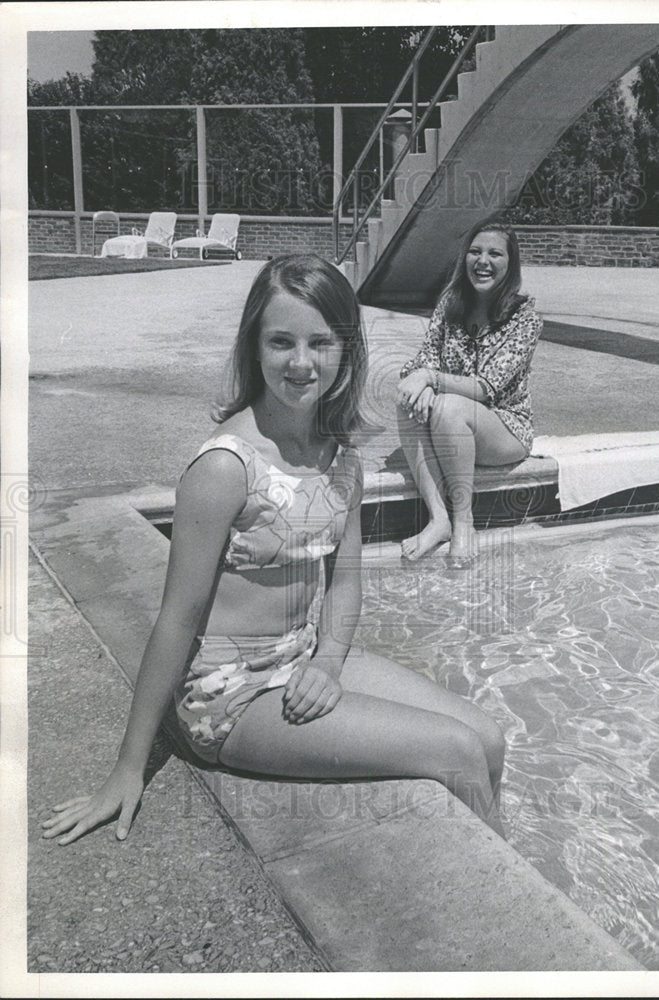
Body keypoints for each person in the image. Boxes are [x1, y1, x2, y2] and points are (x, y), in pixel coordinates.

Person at [42, 254, 506, 844]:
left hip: (302, 656)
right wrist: (127, 767)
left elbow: (343, 582)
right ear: (254, 348)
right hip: (226, 693)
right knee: (457, 751)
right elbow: (176, 618)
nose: (301, 362)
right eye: (281, 342)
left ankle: (512, 862)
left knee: (488, 736)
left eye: (321, 342)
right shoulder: (225, 468)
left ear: (347, 350)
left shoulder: (340, 460)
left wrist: (329, 662)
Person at [396, 219, 543, 567]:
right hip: (452, 420)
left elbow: (487, 387)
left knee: (447, 407)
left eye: (495, 254)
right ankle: (439, 520)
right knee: (408, 398)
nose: (483, 261)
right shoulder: (450, 303)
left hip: (505, 429)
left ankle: (465, 522)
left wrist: (431, 378)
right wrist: (418, 381)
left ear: (511, 264)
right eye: (475, 252)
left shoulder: (526, 319)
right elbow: (426, 356)